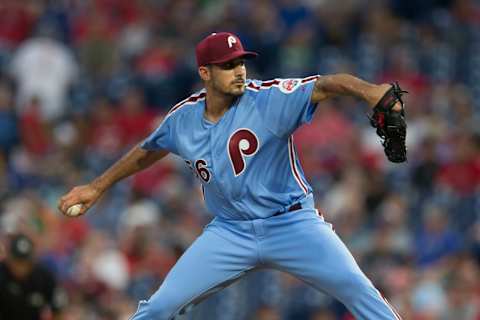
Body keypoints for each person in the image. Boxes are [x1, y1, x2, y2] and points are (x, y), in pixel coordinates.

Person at [59, 32, 403, 319]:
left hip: (293, 225)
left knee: (360, 291)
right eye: (227, 65)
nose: (239, 70)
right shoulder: (184, 118)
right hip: (230, 232)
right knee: (160, 307)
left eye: (240, 62)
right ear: (205, 73)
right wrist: (97, 186)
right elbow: (148, 150)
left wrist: (371, 92)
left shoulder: (267, 100)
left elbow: (327, 85)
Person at [0, 234, 65, 320]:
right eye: (17, 262)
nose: (21, 268)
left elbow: (58, 308)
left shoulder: (44, 276)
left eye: (25, 262)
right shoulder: (2, 274)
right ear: (9, 258)